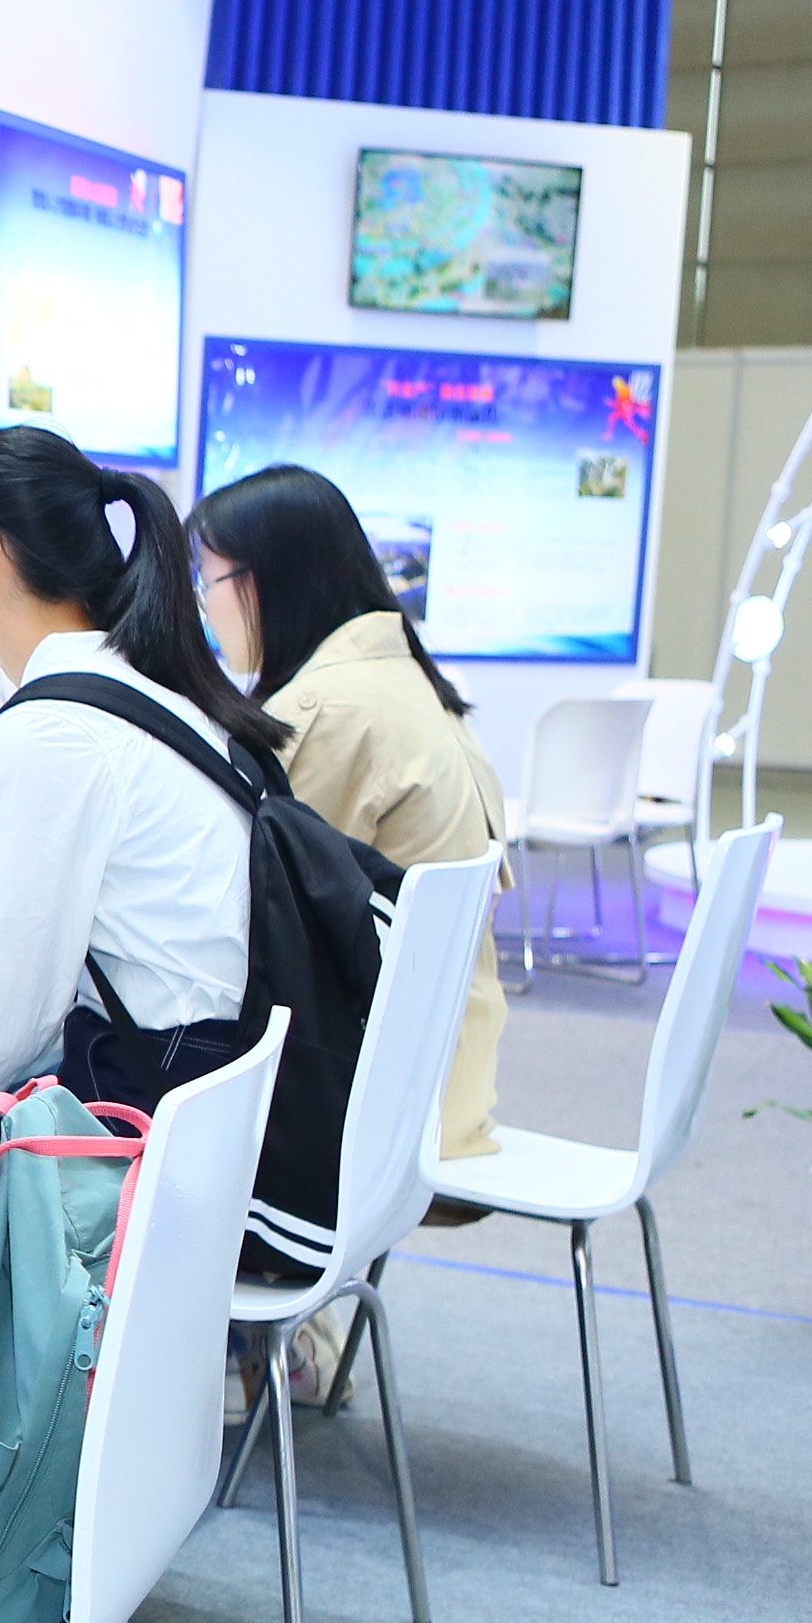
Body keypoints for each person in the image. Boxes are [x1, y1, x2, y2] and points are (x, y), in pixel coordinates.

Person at [0, 425, 287, 1110]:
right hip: (217, 1089)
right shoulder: (147, 689)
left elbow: (5, 1026)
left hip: (151, 1098)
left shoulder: (49, 730)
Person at [193, 462, 510, 1162]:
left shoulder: (327, 708)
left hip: (386, 1106)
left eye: (206, 581)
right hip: (452, 1076)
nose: (203, 606)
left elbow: (257, 913)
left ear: (261, 582)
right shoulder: (396, 678)